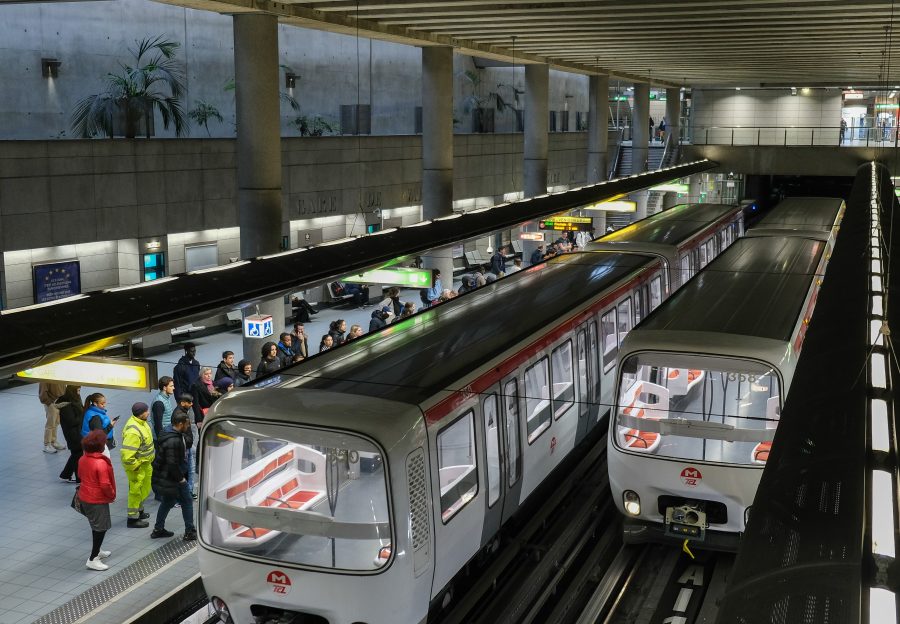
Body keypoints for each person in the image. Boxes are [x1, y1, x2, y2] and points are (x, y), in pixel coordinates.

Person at [150, 412, 196, 541]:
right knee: (187, 501)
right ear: (180, 424)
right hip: (174, 478)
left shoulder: (169, 432)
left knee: (168, 501)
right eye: (187, 424)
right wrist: (181, 479)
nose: (188, 427)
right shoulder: (173, 441)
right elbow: (172, 463)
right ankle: (190, 531)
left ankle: (158, 529)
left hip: (166, 476)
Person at [78, 429, 116, 570]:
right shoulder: (100, 463)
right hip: (97, 499)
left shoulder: (83, 458)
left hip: (85, 496)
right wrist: (111, 495)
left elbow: (81, 475)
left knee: (95, 526)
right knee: (101, 528)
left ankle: (98, 550)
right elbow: (105, 484)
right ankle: (93, 558)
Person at [121, 402, 154, 528]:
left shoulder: (141, 422)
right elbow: (127, 455)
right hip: (138, 467)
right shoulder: (133, 431)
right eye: (147, 411)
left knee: (143, 490)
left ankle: (140, 511)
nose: (149, 412)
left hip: (145, 464)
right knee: (135, 492)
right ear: (141, 413)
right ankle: (132, 518)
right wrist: (136, 467)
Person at [171, 394, 197, 498]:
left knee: (190, 469)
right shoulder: (179, 415)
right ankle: (185, 493)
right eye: (189, 402)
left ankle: (188, 492)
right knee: (188, 470)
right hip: (185, 447)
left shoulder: (182, 412)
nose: (191, 404)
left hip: (187, 446)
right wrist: (187, 442)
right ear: (183, 403)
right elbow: (181, 432)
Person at [57, 385, 84, 483]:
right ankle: (78, 478)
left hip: (77, 431)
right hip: (72, 433)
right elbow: (71, 421)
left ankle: (66, 474)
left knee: (76, 453)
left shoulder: (75, 398)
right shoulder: (64, 403)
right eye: (77, 390)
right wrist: (83, 415)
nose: (79, 393)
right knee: (77, 453)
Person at [39, 382, 66, 453]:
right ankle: (47, 444)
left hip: (59, 401)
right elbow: (42, 394)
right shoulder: (45, 377)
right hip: (51, 403)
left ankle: (53, 441)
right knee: (50, 424)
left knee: (56, 422)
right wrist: (49, 404)